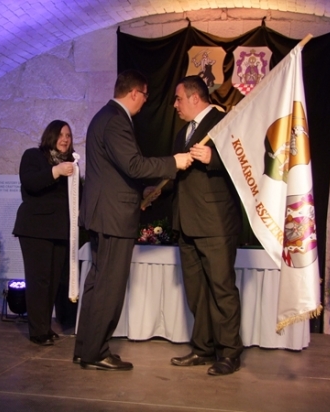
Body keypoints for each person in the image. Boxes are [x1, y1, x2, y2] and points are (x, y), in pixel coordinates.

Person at [74, 69, 193, 371]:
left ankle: (85, 348)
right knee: (109, 286)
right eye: (145, 96)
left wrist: (143, 190)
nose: (145, 102)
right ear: (135, 93)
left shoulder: (104, 117)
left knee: (97, 283)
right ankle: (96, 353)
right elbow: (134, 164)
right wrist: (173, 162)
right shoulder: (116, 120)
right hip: (113, 217)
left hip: (104, 213)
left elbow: (117, 171)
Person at [170, 75, 243, 375]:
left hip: (215, 222)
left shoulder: (225, 122)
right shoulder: (182, 133)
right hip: (187, 222)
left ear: (195, 98)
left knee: (221, 289)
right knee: (197, 292)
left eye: (178, 99)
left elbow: (245, 163)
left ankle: (229, 353)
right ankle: (202, 349)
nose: (175, 105)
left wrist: (214, 158)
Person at [12, 120, 76, 346]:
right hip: (35, 229)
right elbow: (30, 182)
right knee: (39, 280)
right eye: (61, 134)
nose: (65, 139)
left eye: (68, 135)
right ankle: (37, 330)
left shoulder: (72, 164)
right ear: (51, 136)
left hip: (60, 229)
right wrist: (56, 171)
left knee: (53, 281)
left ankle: (44, 326)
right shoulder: (33, 155)